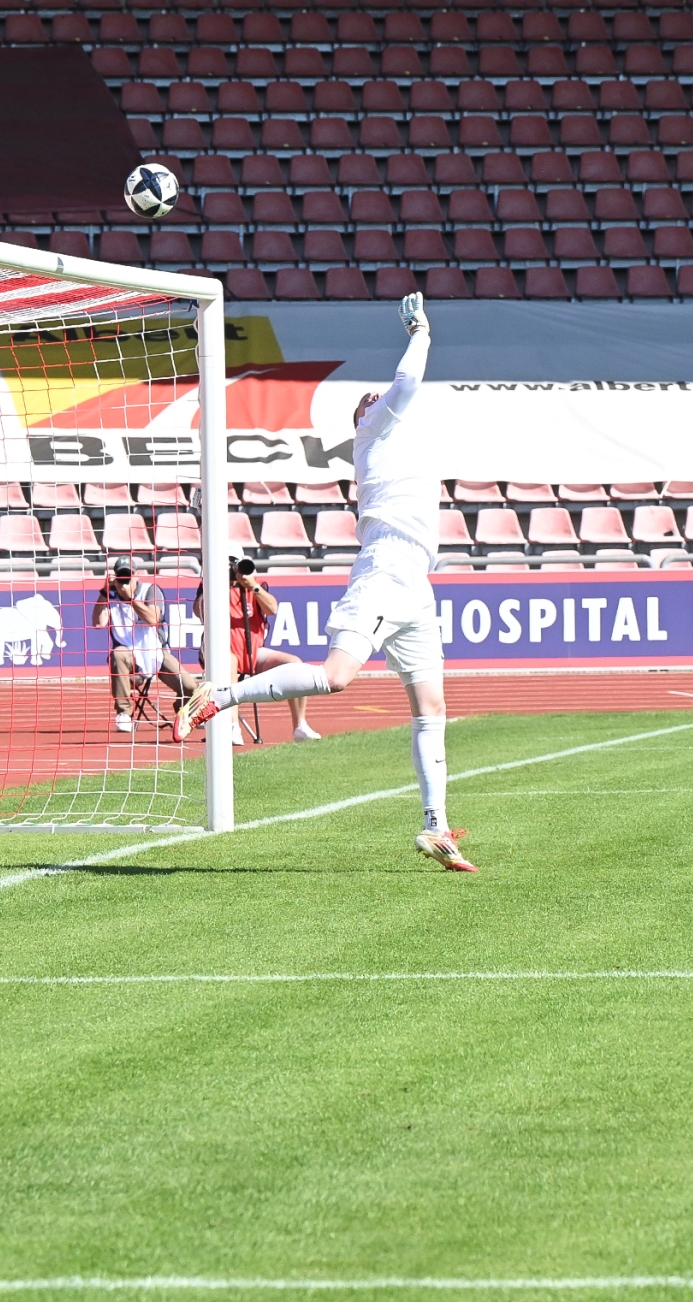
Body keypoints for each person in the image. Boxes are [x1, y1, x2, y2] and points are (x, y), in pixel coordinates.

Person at [177, 293, 476, 872]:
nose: (371, 399)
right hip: (386, 568)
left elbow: (414, 399)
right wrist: (421, 332)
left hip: (415, 582)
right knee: (335, 677)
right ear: (364, 420)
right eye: (364, 403)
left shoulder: (405, 438)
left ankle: (436, 826)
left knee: (431, 706)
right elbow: (407, 383)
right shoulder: (377, 430)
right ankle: (221, 694)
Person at [193, 557, 321, 744]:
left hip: (251, 651)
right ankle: (232, 726)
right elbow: (200, 613)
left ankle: (300, 725)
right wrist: (216, 584)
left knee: (294, 664)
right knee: (229, 662)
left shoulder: (256, 584)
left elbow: (272, 609)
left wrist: (253, 586)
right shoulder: (210, 586)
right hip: (220, 653)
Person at [90, 557, 196, 734]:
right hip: (128, 656)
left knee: (191, 688)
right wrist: (104, 591)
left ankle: (182, 711)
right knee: (117, 654)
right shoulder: (110, 595)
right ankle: (124, 713)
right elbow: (98, 623)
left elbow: (152, 619)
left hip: (156, 652)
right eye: (121, 577)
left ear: (136, 575)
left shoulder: (150, 590)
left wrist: (130, 599)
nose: (125, 581)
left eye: (128, 576)